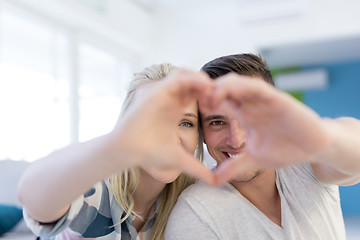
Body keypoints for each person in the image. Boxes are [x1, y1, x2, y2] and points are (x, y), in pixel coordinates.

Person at [165, 54, 360, 239]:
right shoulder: (196, 212)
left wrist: (316, 136)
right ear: (202, 133)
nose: (236, 140)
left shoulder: (303, 164)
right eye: (217, 122)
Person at [17, 64, 216, 240]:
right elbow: (34, 197)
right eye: (154, 119)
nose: (171, 138)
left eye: (186, 123)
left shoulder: (195, 198)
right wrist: (116, 145)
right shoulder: (95, 193)